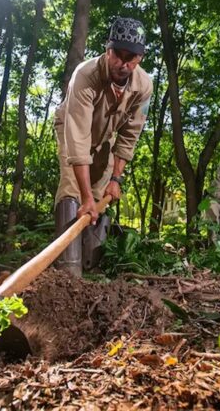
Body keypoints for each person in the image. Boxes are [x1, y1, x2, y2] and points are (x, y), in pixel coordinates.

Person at [54, 17, 153, 276]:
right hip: (71, 127)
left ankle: (90, 267)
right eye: (118, 55)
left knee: (100, 193)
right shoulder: (85, 75)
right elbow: (78, 141)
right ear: (108, 50)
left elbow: (130, 135)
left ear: (140, 58)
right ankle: (68, 272)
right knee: (73, 189)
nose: (123, 64)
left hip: (105, 137)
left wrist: (116, 179)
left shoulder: (144, 86)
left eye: (131, 58)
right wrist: (84, 197)